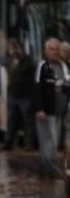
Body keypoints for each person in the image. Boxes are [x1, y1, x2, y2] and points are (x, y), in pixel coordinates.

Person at [33, 38, 70, 176]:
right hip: (46, 111)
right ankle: (50, 170)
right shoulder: (42, 66)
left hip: (59, 111)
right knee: (49, 142)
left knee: (52, 143)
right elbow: (36, 89)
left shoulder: (63, 66)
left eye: (57, 49)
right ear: (46, 50)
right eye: (52, 49)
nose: (55, 52)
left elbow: (66, 85)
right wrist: (39, 109)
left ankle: (44, 170)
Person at [2, 39, 36, 150]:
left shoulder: (28, 61)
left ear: (20, 49)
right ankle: (8, 143)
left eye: (15, 48)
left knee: (28, 121)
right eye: (11, 49)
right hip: (13, 95)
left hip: (25, 96)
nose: (13, 51)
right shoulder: (9, 61)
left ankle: (29, 144)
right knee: (12, 120)